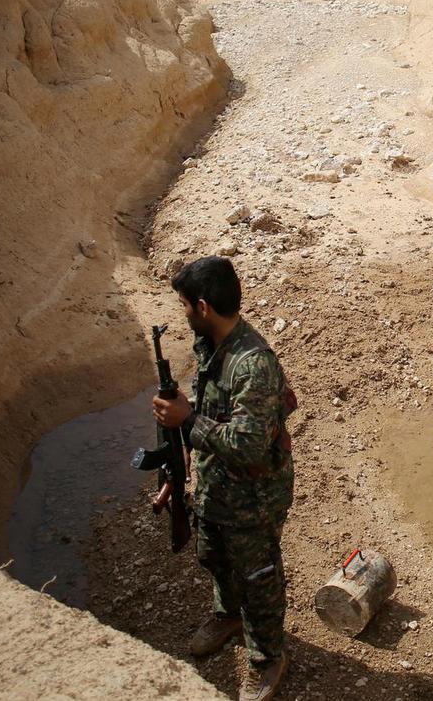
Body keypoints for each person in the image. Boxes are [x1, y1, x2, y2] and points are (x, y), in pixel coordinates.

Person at [152, 256, 294, 701]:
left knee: (258, 578)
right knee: (214, 556)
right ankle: (227, 615)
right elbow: (208, 414)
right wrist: (177, 471)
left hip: (253, 496)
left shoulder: (252, 364)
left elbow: (249, 446)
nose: (183, 315)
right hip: (216, 487)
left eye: (184, 307)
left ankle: (267, 658)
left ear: (202, 307)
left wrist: (187, 419)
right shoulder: (210, 347)